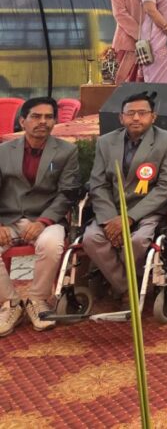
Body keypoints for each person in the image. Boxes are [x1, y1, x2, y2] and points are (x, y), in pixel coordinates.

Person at [83, 92, 167, 305]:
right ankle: (127, 287)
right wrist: (110, 220)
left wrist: (129, 218)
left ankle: (121, 284)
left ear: (153, 117)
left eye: (142, 113)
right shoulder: (106, 142)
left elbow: (165, 187)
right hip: (111, 210)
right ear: (121, 118)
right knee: (91, 239)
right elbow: (98, 184)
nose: (136, 118)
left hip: (147, 210)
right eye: (130, 113)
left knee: (137, 241)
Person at [0, 98, 79, 335]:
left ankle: (37, 300)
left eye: (48, 117)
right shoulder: (3, 151)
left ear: (55, 121)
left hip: (47, 217)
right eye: (36, 116)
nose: (42, 122)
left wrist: (44, 221)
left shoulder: (66, 151)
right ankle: (11, 303)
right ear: (23, 121)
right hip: (9, 217)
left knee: (52, 245)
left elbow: (67, 193)